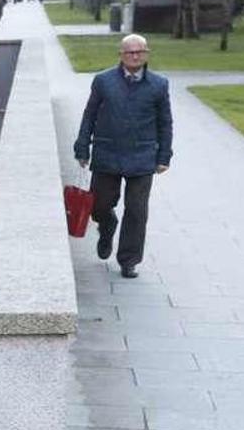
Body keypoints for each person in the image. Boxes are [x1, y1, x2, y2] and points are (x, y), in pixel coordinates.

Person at [74, 34, 173, 279]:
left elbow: (165, 123)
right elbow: (90, 115)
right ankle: (107, 226)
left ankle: (129, 260)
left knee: (137, 210)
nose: (135, 55)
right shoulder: (103, 81)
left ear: (147, 54)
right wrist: (82, 146)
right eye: (130, 52)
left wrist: (164, 155)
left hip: (142, 156)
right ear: (121, 55)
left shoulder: (159, 85)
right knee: (99, 205)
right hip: (107, 153)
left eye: (140, 51)